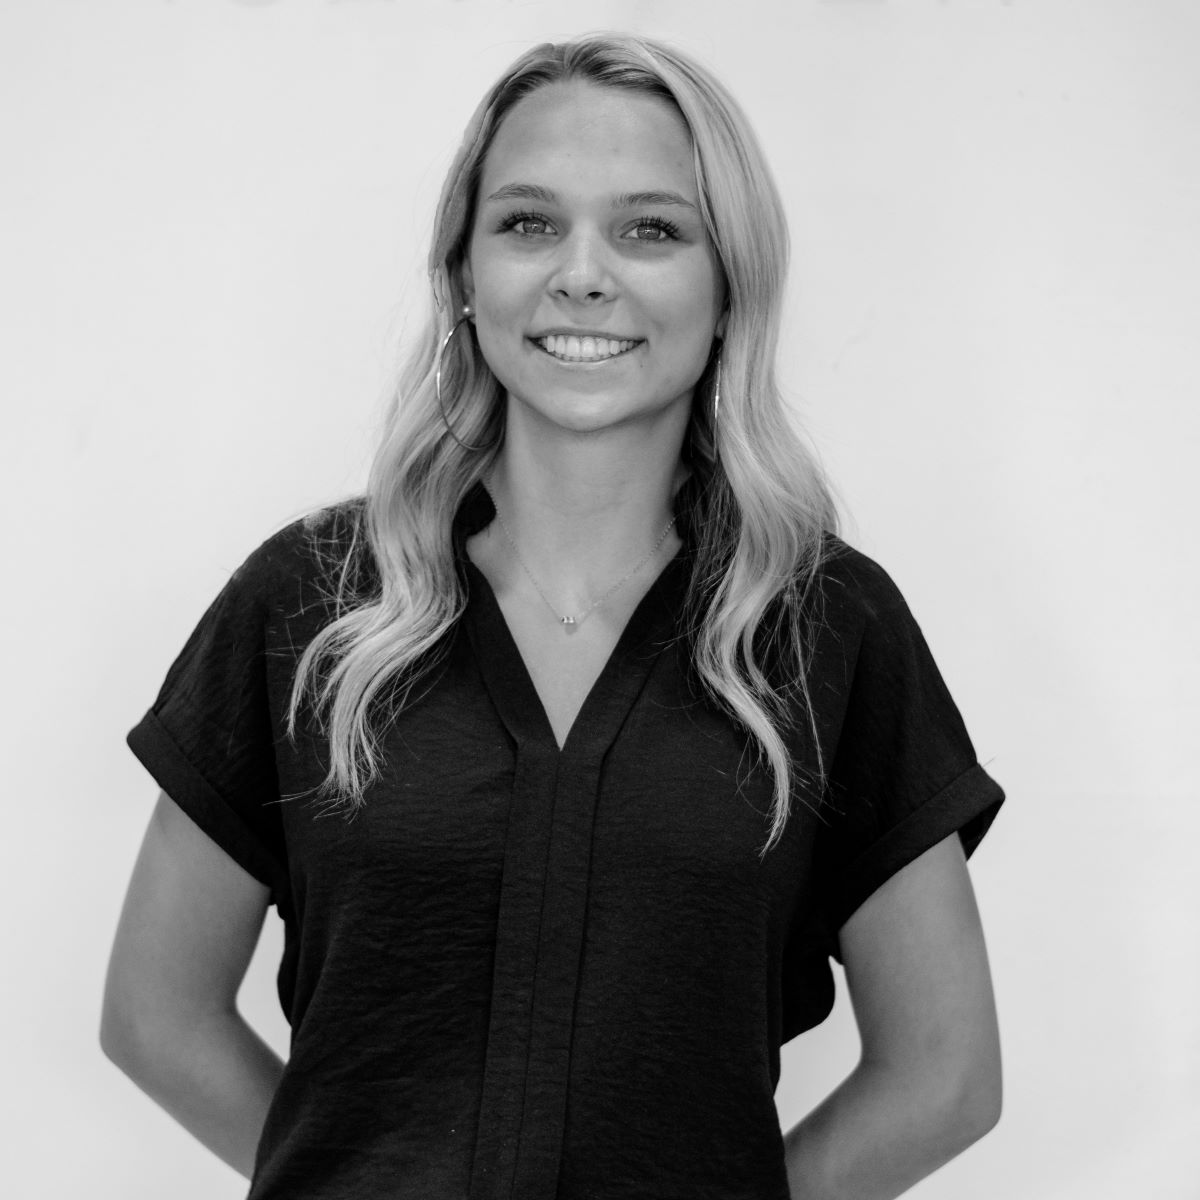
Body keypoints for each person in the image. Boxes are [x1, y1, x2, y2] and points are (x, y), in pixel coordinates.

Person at [101, 33, 1004, 1200]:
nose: (584, 275)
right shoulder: (312, 604)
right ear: (463, 276)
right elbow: (153, 1014)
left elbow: (946, 1075)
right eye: (529, 223)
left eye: (652, 228)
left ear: (730, 284)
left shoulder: (826, 628)